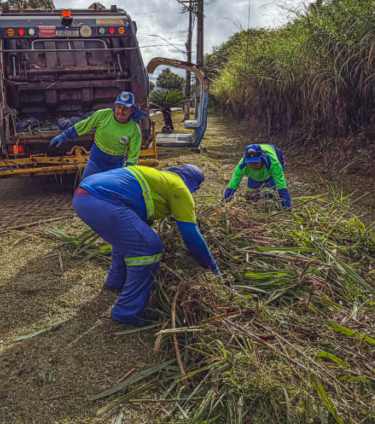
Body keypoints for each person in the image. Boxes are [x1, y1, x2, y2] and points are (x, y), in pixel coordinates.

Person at [73, 164, 221, 324]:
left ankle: (115, 282)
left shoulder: (161, 178)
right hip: (101, 200)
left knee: (130, 239)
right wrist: (212, 267)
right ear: (193, 184)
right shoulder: (180, 189)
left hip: (84, 195)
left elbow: (139, 208)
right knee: (148, 247)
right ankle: (126, 311)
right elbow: (191, 235)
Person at [49, 91, 146, 179]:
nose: (121, 111)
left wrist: (127, 173)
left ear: (132, 110)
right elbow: (84, 125)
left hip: (116, 165)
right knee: (86, 187)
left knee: (112, 193)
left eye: (125, 108)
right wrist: (65, 135)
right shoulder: (102, 115)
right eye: (119, 107)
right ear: (114, 106)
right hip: (95, 162)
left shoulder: (134, 131)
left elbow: (133, 157)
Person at [223, 144, 292, 210]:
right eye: (250, 162)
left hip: (272, 168)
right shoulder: (242, 166)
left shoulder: (274, 164)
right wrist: (224, 203)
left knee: (268, 195)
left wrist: (287, 209)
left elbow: (282, 187)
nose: (253, 165)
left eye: (256, 162)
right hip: (255, 175)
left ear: (262, 159)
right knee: (251, 195)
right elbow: (232, 185)